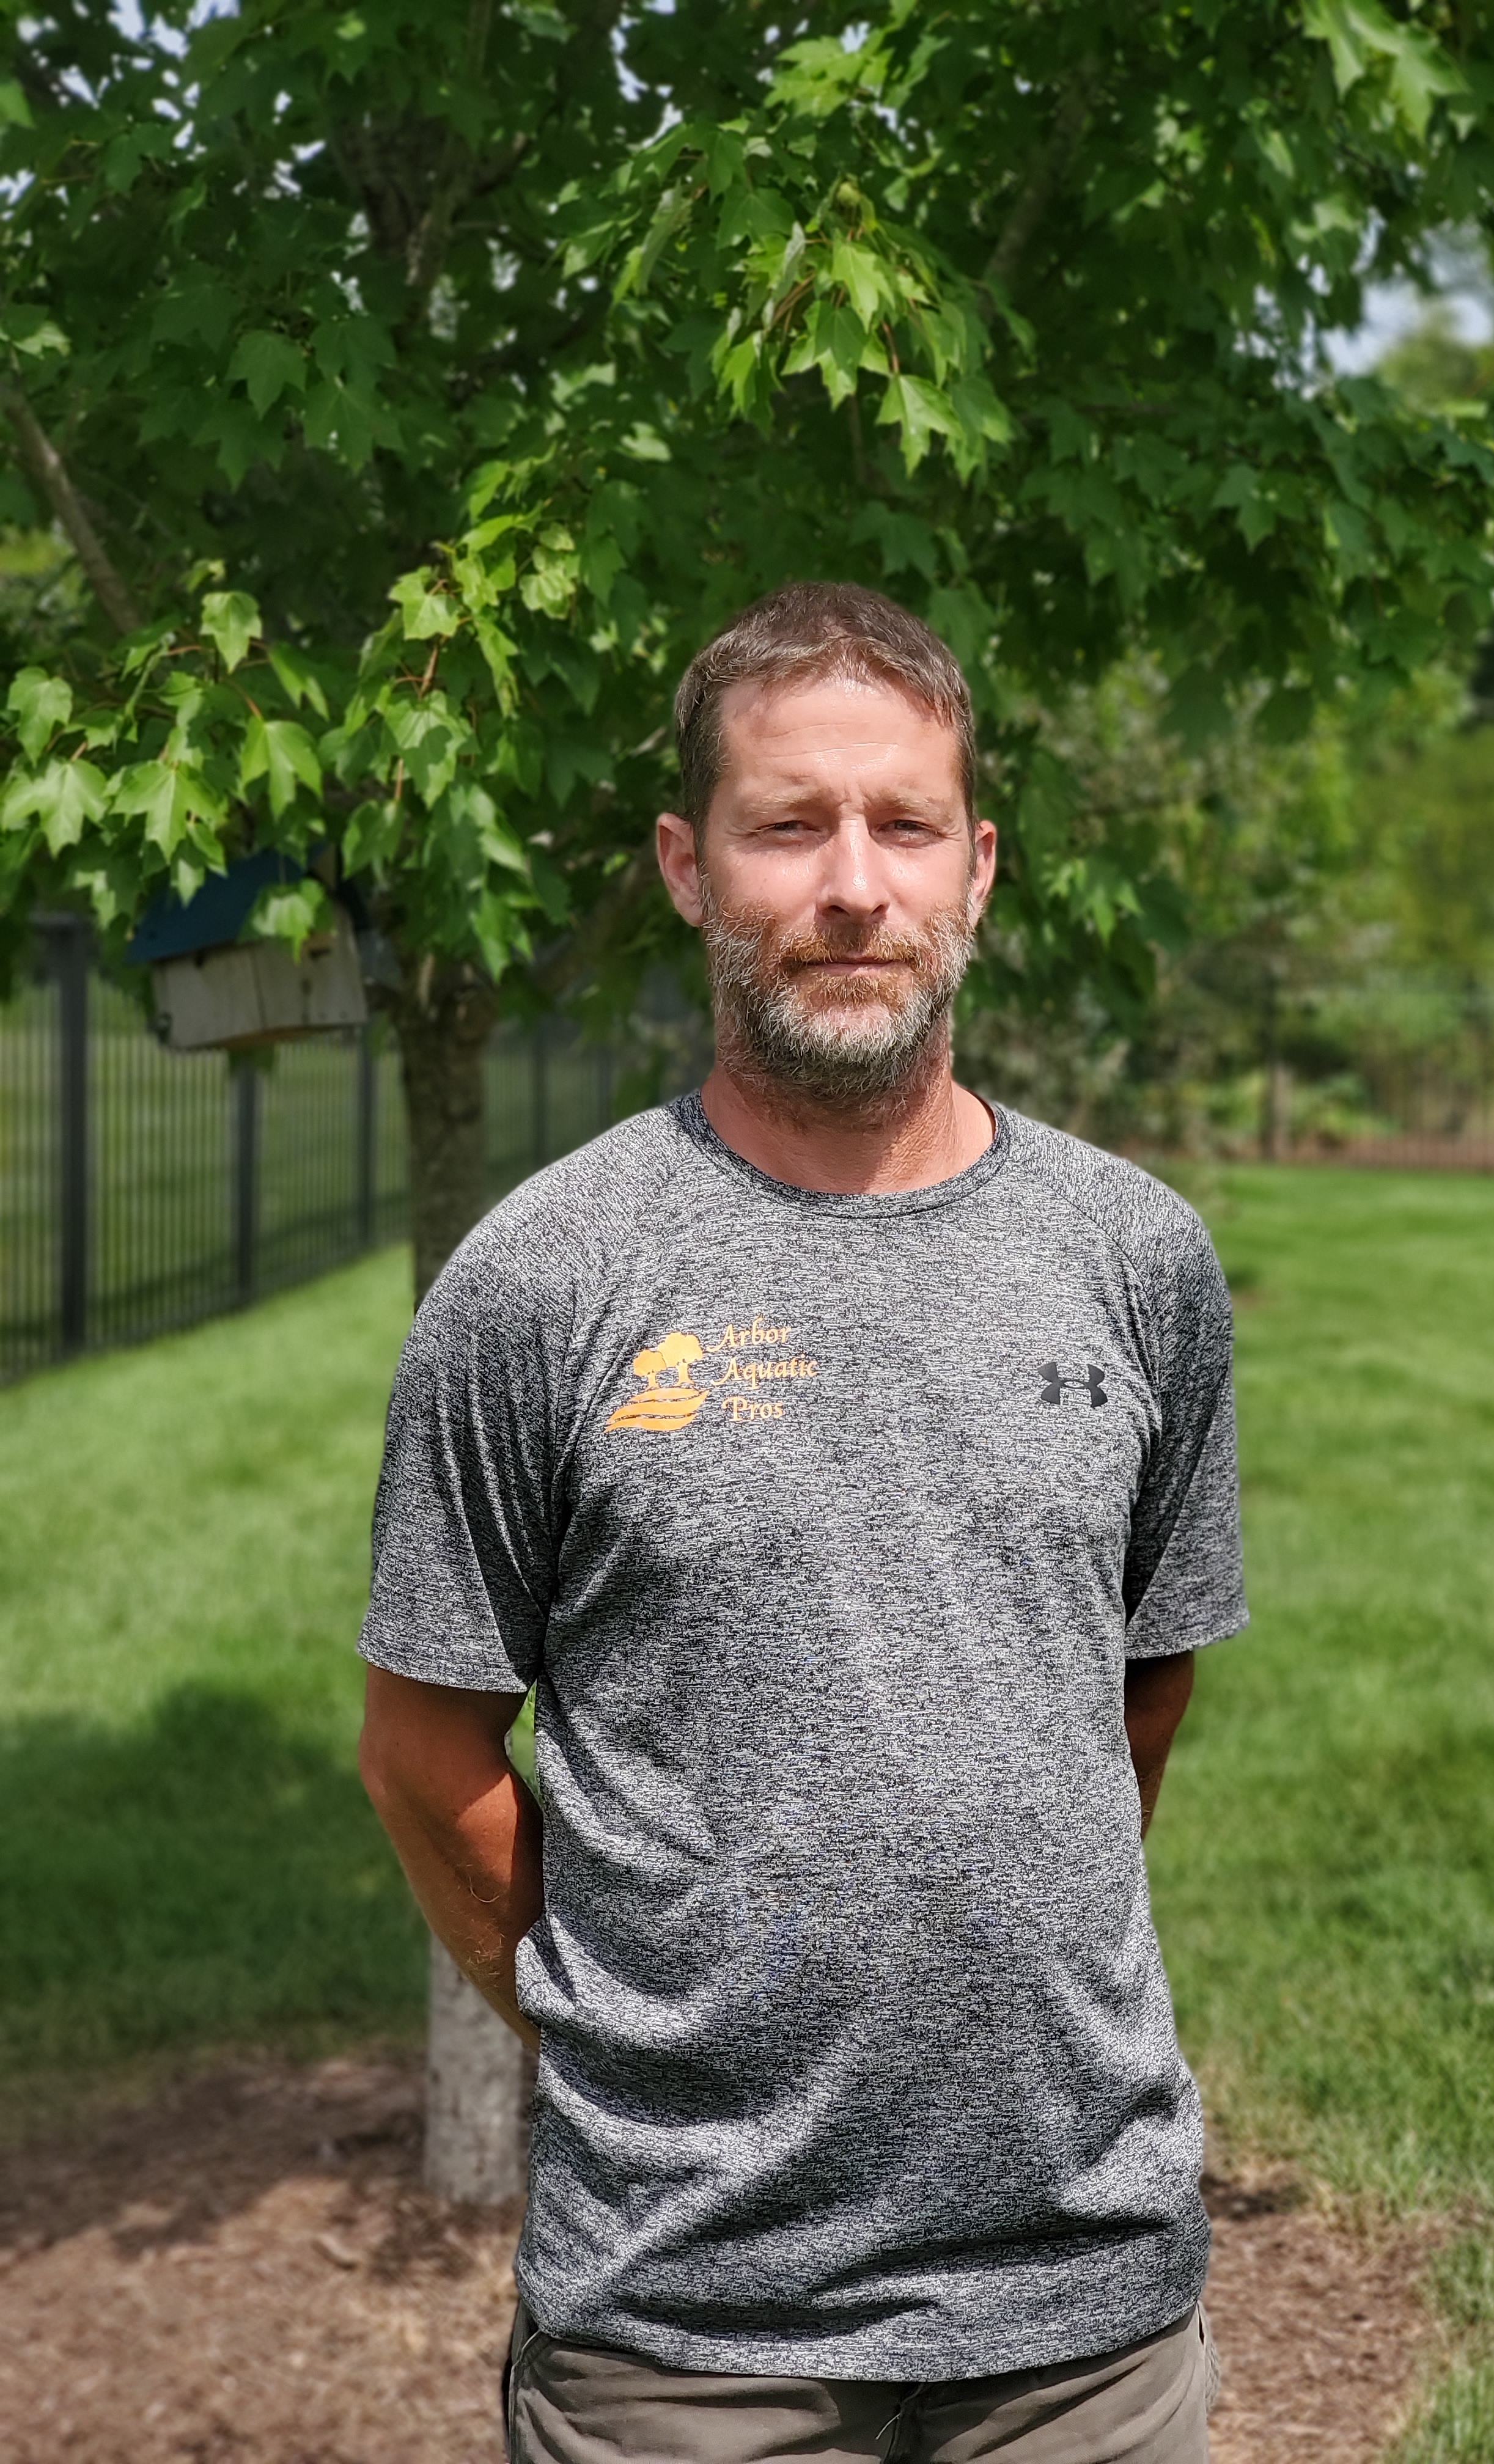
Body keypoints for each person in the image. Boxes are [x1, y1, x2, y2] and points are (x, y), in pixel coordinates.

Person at [356, 582, 1247, 2464]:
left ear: (976, 869)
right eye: (788, 826)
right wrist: (621, 2034)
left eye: (904, 824)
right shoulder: (542, 1283)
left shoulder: (1136, 1259)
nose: (854, 886)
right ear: (690, 868)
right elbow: (426, 1755)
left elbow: (1139, 1694)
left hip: (1087, 2316)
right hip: (684, 2331)